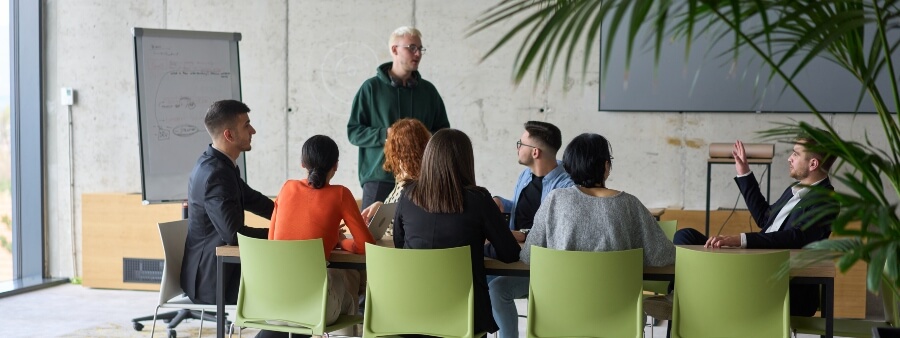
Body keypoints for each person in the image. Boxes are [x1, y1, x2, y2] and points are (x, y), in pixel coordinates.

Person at [492, 133, 675, 338]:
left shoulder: (555, 200)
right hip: (620, 322)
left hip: (560, 319)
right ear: (606, 166)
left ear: (569, 167)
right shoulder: (631, 205)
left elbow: (528, 257)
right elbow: (664, 256)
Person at [646, 136, 839, 324]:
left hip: (777, 280)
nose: (789, 158)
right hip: (753, 262)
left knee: (699, 263)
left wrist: (740, 240)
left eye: (796, 154)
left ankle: (683, 300)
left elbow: (796, 237)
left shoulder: (827, 201)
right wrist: (744, 172)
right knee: (686, 236)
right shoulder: (795, 190)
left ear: (813, 164)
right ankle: (676, 296)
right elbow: (765, 218)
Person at [393, 129, 520, 334]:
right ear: (466, 161)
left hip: (413, 314)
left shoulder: (408, 195)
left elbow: (400, 246)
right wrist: (480, 249)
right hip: (466, 317)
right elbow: (510, 253)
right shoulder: (479, 199)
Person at [268, 135, 376, 325]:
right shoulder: (341, 194)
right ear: (336, 165)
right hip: (316, 312)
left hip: (273, 306)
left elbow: (272, 242)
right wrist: (341, 240)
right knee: (343, 280)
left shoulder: (286, 188)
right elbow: (366, 246)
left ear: (303, 163)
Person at [181, 100, 273, 306]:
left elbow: (256, 201)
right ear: (229, 135)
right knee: (288, 283)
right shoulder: (217, 174)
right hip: (214, 282)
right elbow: (234, 235)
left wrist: (297, 220)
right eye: (246, 125)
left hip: (223, 270)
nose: (253, 131)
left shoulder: (219, 164)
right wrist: (282, 234)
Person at [347, 26, 449, 211]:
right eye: (412, 47)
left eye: (420, 48)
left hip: (421, 179)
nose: (418, 53)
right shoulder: (370, 89)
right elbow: (354, 133)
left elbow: (444, 134)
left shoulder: (428, 91)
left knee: (418, 229)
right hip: (379, 177)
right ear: (394, 49)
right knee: (372, 229)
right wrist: (387, 134)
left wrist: (423, 137)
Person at [487, 121, 574, 337]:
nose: (517, 148)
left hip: (544, 266)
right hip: (515, 256)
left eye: (521, 144)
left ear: (535, 152)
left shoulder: (566, 187)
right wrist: (500, 202)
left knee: (497, 290)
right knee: (475, 278)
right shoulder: (525, 175)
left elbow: (554, 230)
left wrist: (521, 235)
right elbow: (523, 209)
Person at [359, 118, 432, 233]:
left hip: (394, 243)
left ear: (396, 149)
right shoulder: (406, 178)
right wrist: (381, 206)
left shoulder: (413, 184)